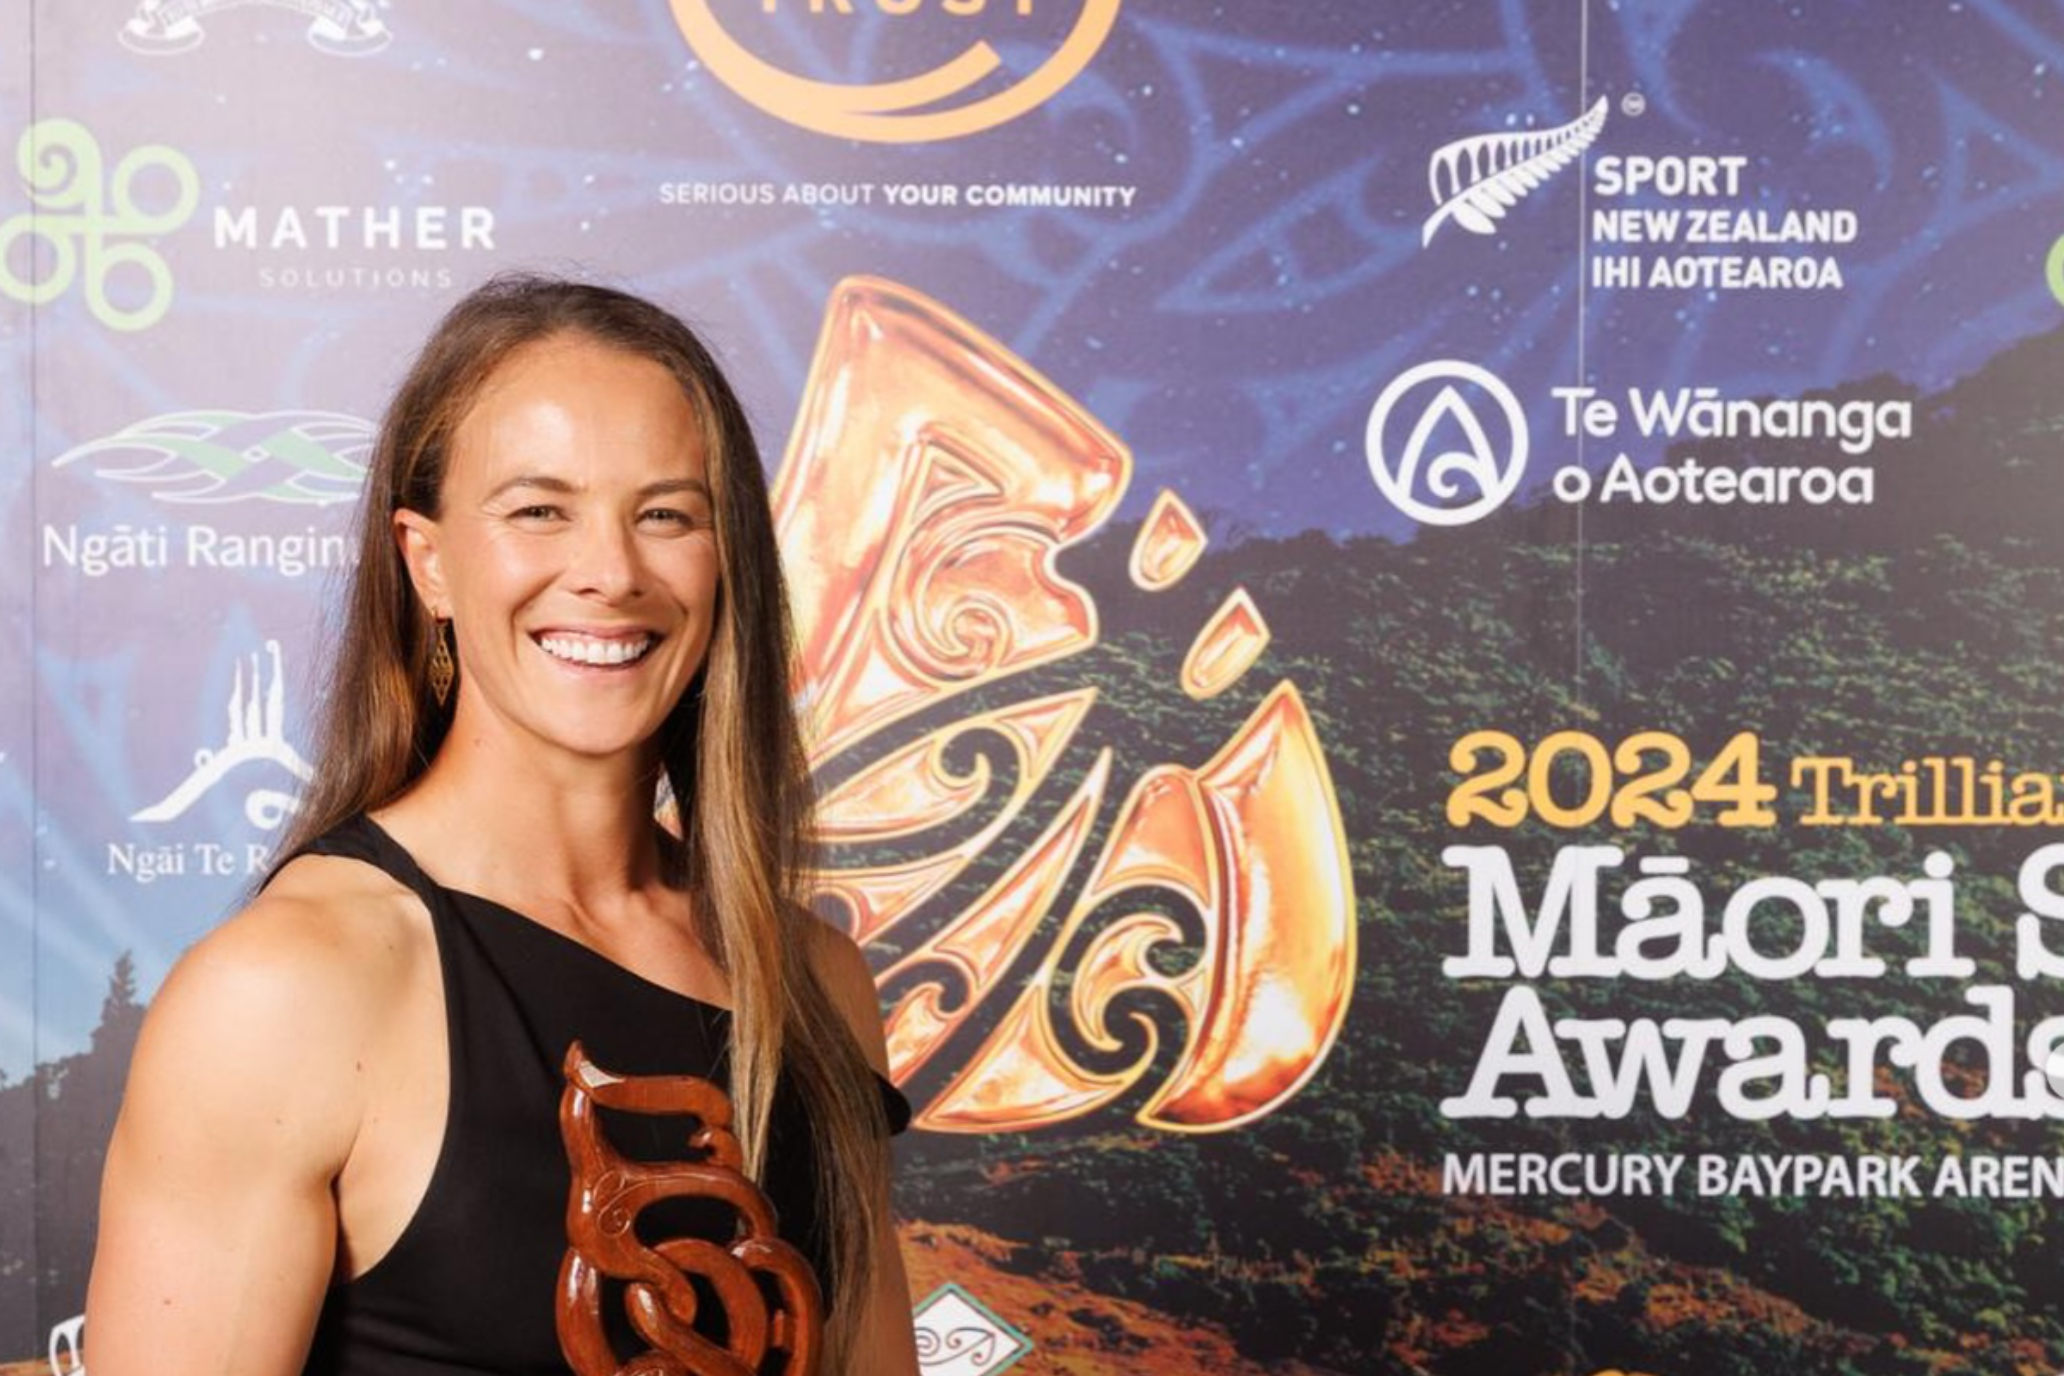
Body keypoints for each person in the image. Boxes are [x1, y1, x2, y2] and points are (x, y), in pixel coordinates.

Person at [85, 275, 920, 1375]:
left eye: (666, 512)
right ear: (428, 561)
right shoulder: (294, 986)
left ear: (729, 564)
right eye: (539, 509)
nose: (611, 572)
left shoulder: (813, 981)